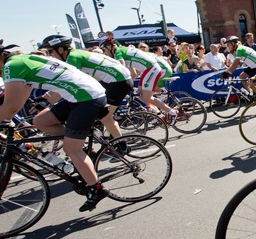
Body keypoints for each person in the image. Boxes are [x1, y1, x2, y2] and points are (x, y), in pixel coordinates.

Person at [0, 44, 109, 212]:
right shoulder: (19, 61)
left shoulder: (11, 66)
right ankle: (81, 147)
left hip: (86, 97)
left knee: (71, 149)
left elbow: (11, 107)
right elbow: (19, 98)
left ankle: (96, 188)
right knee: (41, 121)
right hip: (79, 94)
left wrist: (6, 115)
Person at [39, 35, 133, 140]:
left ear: (60, 49)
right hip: (113, 80)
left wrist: (46, 101)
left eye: (50, 51)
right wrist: (46, 96)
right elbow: (61, 82)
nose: (50, 55)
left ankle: (120, 144)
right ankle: (111, 140)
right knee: (102, 115)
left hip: (119, 81)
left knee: (105, 117)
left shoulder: (73, 58)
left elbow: (69, 83)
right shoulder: (76, 54)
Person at [99, 38, 179, 124]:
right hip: (148, 69)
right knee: (140, 94)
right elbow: (133, 73)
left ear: (109, 47)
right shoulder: (123, 51)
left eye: (104, 50)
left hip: (151, 69)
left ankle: (172, 112)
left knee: (147, 97)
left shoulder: (118, 52)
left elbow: (121, 69)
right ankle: (158, 114)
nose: (104, 53)